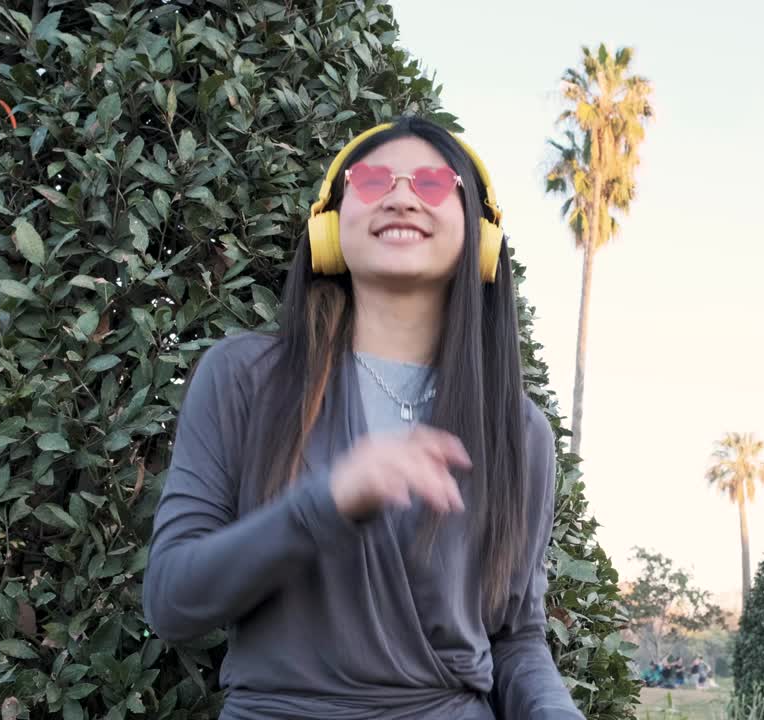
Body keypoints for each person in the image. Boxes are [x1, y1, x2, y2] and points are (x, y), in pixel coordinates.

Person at [141, 117, 583, 719]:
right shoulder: (243, 377)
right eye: (372, 180)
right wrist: (325, 503)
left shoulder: (520, 432)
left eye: (432, 182)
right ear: (329, 225)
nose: (401, 195)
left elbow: (515, 637)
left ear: (481, 235)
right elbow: (172, 600)